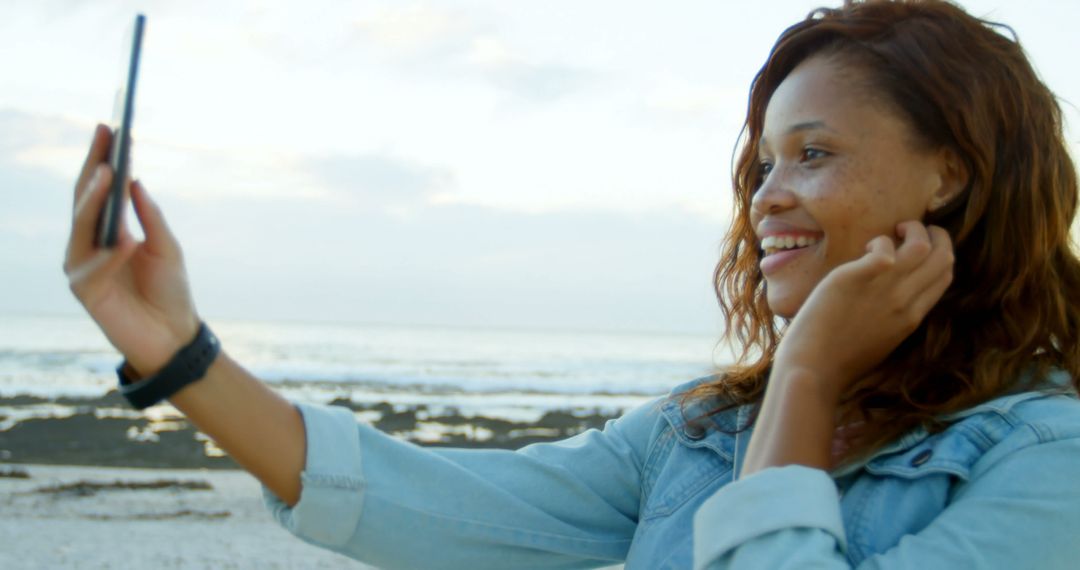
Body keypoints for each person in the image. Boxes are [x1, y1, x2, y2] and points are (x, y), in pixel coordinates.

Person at [64, 0, 1080, 568]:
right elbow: (441, 504)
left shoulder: (1051, 461)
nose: (767, 196)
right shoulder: (703, 431)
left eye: (811, 154)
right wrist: (178, 353)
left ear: (950, 174)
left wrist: (806, 375)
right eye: (763, 164)